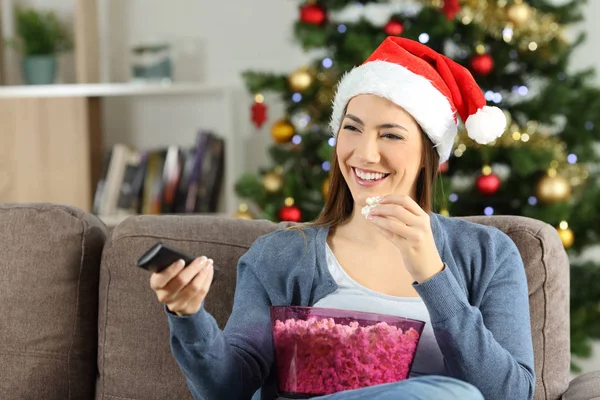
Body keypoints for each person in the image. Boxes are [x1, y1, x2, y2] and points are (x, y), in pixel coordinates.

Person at [149, 37, 535, 400]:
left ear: (427, 154)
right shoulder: (281, 257)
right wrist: (188, 317)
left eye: (391, 136)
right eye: (352, 129)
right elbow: (228, 389)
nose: (365, 154)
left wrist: (433, 276)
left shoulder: (488, 254)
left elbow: (511, 394)